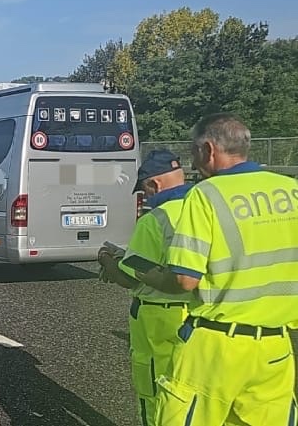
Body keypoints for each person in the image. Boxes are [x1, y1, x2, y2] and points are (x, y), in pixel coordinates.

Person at [134, 113, 298, 425]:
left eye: (194, 153)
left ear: (208, 149)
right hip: (276, 347)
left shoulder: (206, 195)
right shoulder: (290, 190)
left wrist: (143, 273)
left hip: (216, 346)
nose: (194, 166)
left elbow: (184, 279)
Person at [96, 149, 195, 426]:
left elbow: (130, 276)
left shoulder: (155, 219)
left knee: (155, 395)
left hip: (158, 319)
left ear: (154, 184)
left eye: (145, 191)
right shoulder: (205, 209)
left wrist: (106, 258)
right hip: (200, 316)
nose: (146, 197)